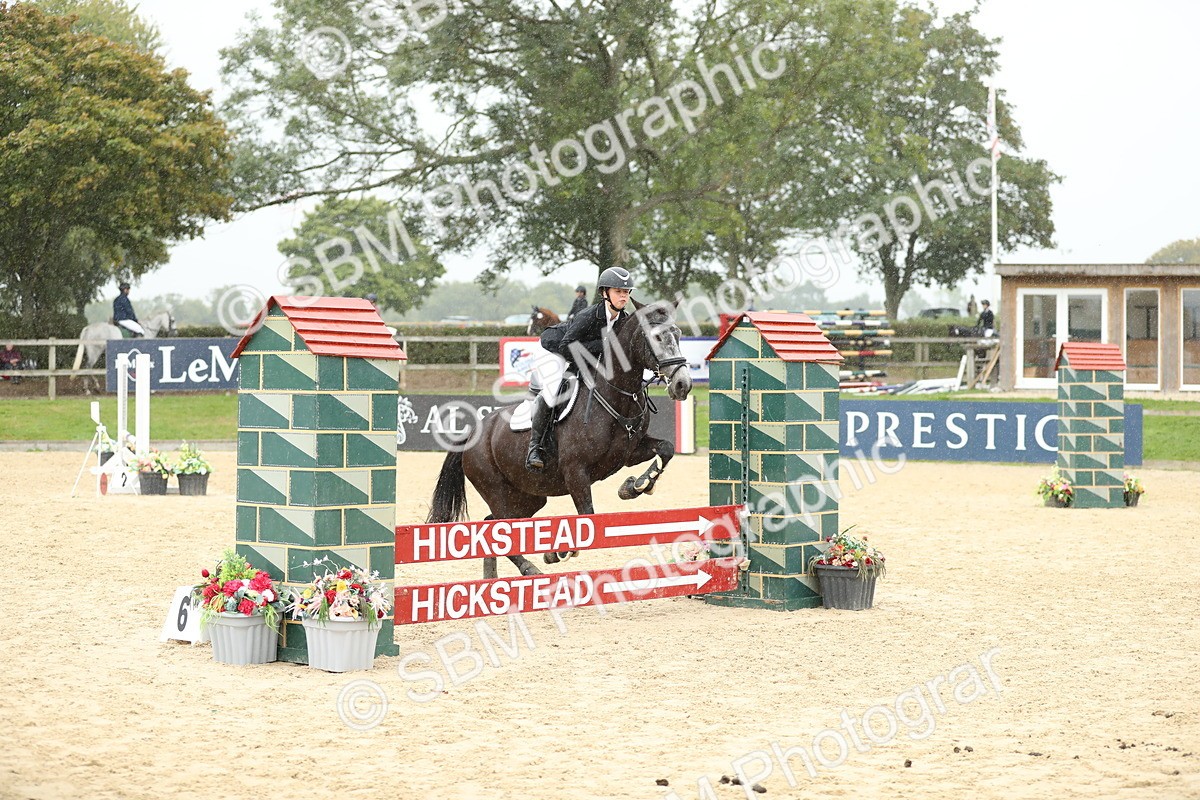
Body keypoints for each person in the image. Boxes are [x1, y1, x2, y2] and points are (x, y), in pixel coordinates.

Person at [526, 267, 634, 471]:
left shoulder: (623, 320)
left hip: (578, 353)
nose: (623, 296)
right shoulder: (589, 315)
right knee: (551, 394)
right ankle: (535, 448)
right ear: (605, 293)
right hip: (553, 349)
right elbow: (566, 346)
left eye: (626, 292)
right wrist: (602, 345)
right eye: (618, 291)